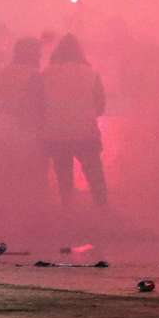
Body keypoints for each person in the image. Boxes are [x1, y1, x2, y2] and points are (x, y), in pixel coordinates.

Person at [41, 34, 107, 206]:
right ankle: (103, 212)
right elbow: (100, 106)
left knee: (64, 179)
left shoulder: (46, 74)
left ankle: (69, 214)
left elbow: (38, 104)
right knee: (95, 177)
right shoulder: (91, 74)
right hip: (85, 133)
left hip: (56, 134)